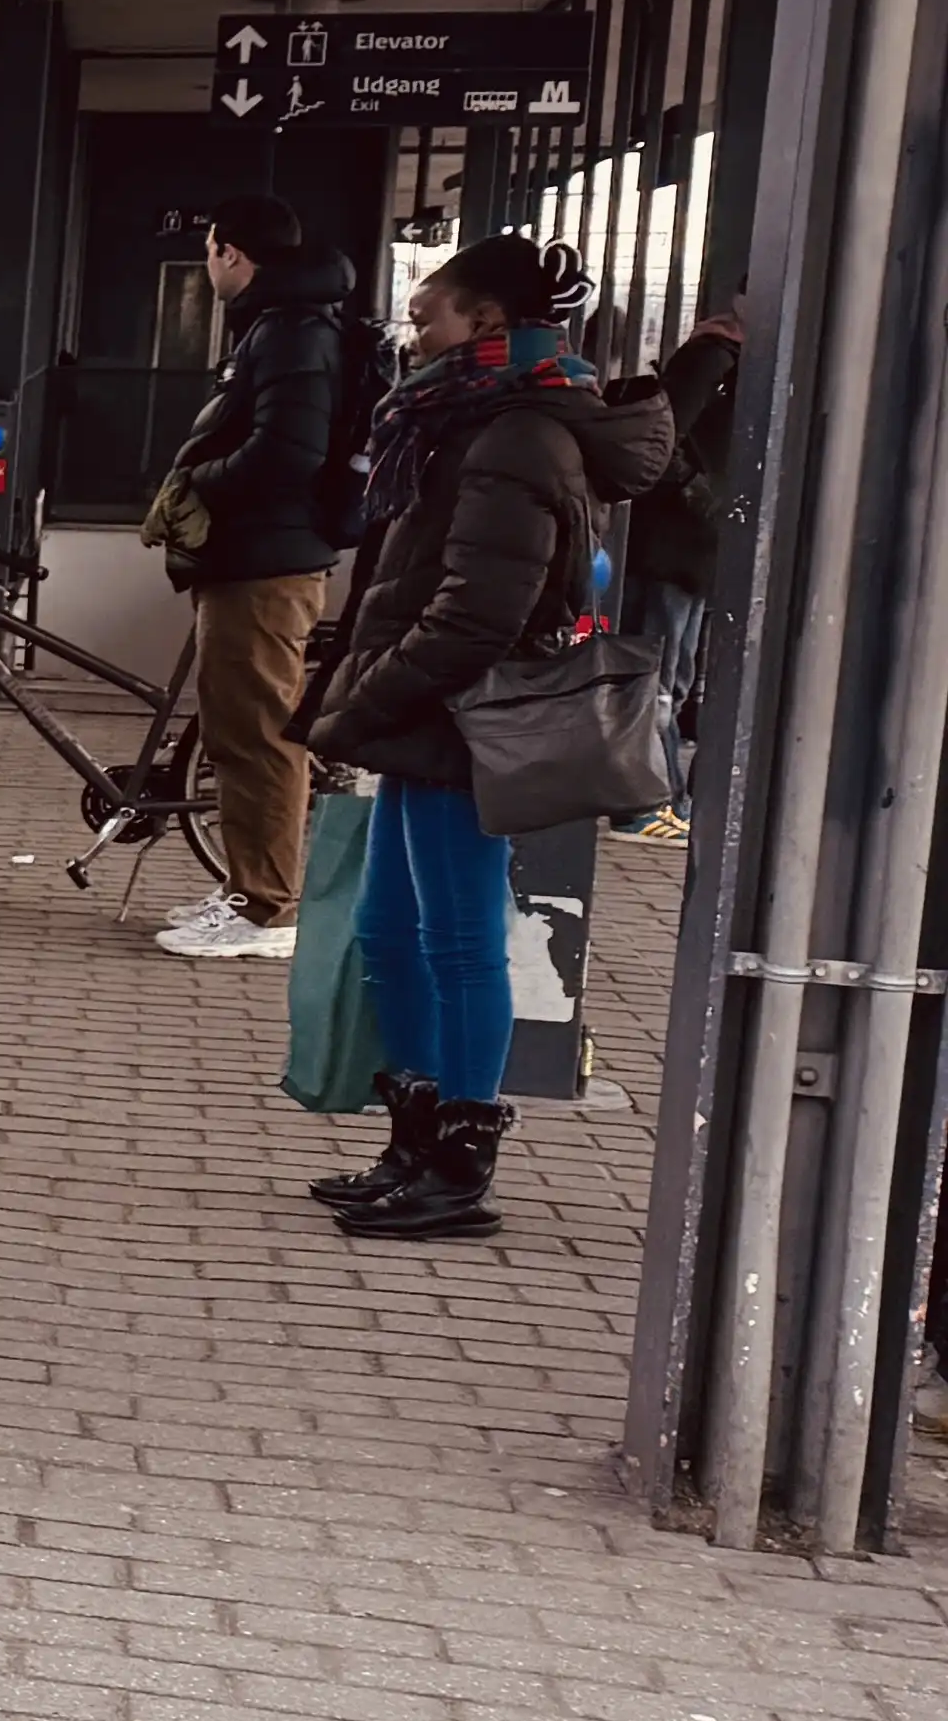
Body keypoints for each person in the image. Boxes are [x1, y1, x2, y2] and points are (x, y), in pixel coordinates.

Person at [297, 231, 672, 1242]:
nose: (411, 333)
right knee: (389, 932)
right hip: (428, 719)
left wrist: (365, 699)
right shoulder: (468, 419)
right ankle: (412, 1139)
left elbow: (480, 615)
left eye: (428, 316)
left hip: (463, 721)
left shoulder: (514, 435)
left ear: (489, 325)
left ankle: (460, 1162)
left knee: (461, 943)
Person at [146, 196, 363, 963]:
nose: (209, 266)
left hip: (267, 563)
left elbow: (288, 452)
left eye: (212, 251)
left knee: (258, 736)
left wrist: (200, 478)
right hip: (258, 558)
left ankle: (265, 909)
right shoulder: (289, 326)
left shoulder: (294, 334)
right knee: (239, 732)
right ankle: (247, 890)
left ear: (232, 254)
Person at [614, 288, 742, 841]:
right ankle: (646, 802)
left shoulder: (735, 357)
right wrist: (703, 495)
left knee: (674, 675)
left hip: (693, 548)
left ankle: (663, 798)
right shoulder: (714, 355)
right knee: (659, 675)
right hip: (675, 544)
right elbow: (661, 444)